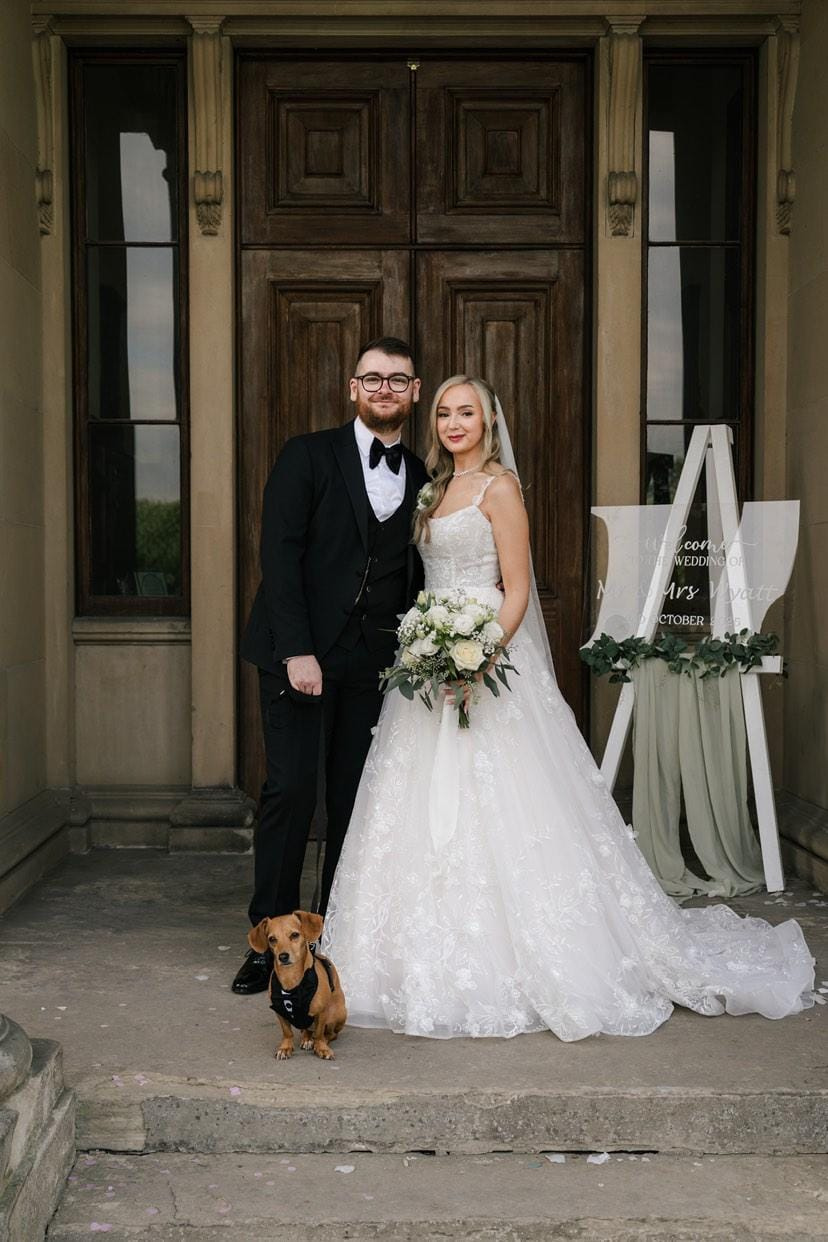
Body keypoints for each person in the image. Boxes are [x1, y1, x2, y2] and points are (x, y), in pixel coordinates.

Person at [321, 375, 815, 1040]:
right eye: (443, 413)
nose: (453, 423)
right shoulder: (433, 489)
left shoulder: (501, 488)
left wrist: (480, 655)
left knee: (507, 807)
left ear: (489, 421)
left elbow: (517, 588)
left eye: (466, 412)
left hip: (484, 653)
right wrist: (429, 647)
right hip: (428, 661)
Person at [232, 338, 428, 995]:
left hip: (374, 663)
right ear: (352, 388)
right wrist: (297, 650)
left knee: (353, 800)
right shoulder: (307, 455)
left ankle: (331, 935)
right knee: (291, 793)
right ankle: (267, 940)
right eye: (372, 378)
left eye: (396, 380)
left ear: (414, 391)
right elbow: (278, 554)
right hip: (299, 653)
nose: (383, 389)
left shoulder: (424, 477)